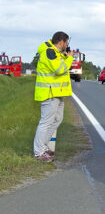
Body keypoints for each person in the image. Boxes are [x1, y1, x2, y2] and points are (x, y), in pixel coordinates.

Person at [33, 31, 74, 162]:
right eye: (66, 43)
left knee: (57, 119)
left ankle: (43, 146)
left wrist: (65, 57)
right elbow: (60, 70)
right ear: (61, 42)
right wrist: (70, 58)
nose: (66, 45)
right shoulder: (49, 52)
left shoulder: (56, 53)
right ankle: (38, 152)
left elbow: (60, 68)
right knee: (45, 122)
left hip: (57, 93)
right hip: (49, 93)